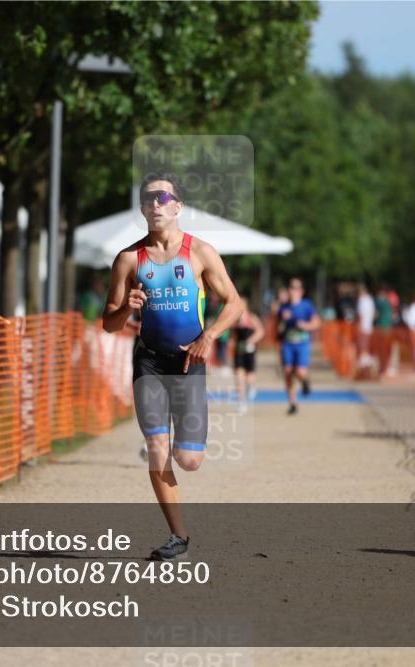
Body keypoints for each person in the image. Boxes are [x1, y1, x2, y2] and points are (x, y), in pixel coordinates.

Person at [102, 173, 243, 561]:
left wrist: (209, 336)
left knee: (189, 460)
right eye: (148, 198)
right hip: (148, 360)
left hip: (187, 362)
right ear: (143, 208)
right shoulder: (129, 259)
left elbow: (235, 303)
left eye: (164, 196)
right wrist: (124, 309)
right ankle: (178, 537)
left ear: (178, 206)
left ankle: (188, 447)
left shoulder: (200, 253)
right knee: (157, 449)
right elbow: (109, 323)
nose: (156, 203)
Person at [278, 277, 320, 414]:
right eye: (291, 287)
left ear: (301, 291)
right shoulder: (284, 307)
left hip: (302, 343)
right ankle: (292, 403)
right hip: (288, 344)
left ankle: (305, 382)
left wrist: (305, 326)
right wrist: (282, 320)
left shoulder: (306, 305)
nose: (293, 291)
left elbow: (317, 323)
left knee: (300, 372)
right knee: (288, 372)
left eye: (296, 288)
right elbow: (278, 328)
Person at [233, 296, 265, 414]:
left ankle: (251, 388)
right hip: (239, 350)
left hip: (250, 350)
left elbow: (261, 331)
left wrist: (252, 340)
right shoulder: (235, 318)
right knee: (238, 376)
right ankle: (241, 402)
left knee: (249, 377)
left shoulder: (251, 318)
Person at [356, 283, 375, 369]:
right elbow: (374, 313)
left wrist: (359, 324)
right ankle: (365, 358)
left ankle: (364, 360)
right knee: (366, 343)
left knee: (362, 343)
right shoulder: (370, 300)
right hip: (369, 325)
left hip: (364, 325)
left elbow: (361, 314)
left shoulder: (362, 300)